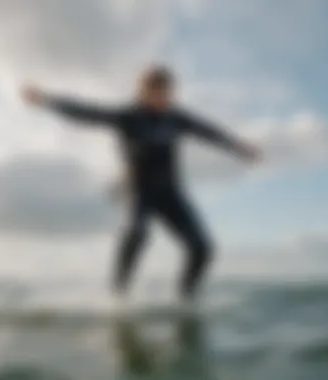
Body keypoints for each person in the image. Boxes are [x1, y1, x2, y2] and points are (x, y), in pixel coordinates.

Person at [22, 66, 260, 300]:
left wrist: (238, 147)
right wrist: (48, 101)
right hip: (138, 192)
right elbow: (87, 113)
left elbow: (209, 132)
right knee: (138, 233)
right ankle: (118, 293)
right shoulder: (128, 117)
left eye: (168, 93)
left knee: (203, 248)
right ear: (143, 92)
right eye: (157, 93)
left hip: (170, 193)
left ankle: (186, 298)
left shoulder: (177, 118)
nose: (164, 99)